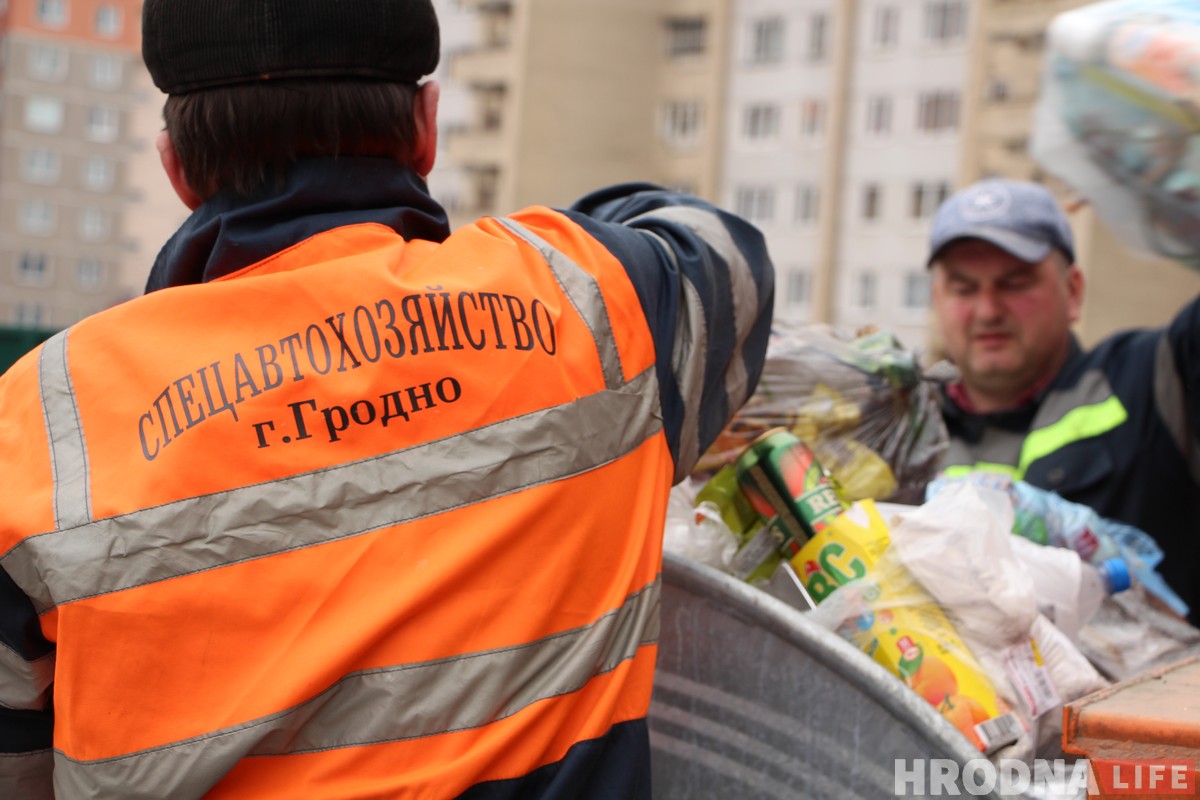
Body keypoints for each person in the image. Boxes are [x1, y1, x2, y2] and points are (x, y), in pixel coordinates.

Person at [0, 1, 775, 796]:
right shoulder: (594, 300)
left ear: (176, 167)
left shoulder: (38, 422)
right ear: (427, 128)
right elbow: (719, 255)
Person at [927, 177, 1199, 624]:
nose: (988, 310)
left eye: (1015, 283)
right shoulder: (902, 430)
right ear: (937, 300)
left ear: (1073, 291)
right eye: (963, 288)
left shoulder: (1155, 377)